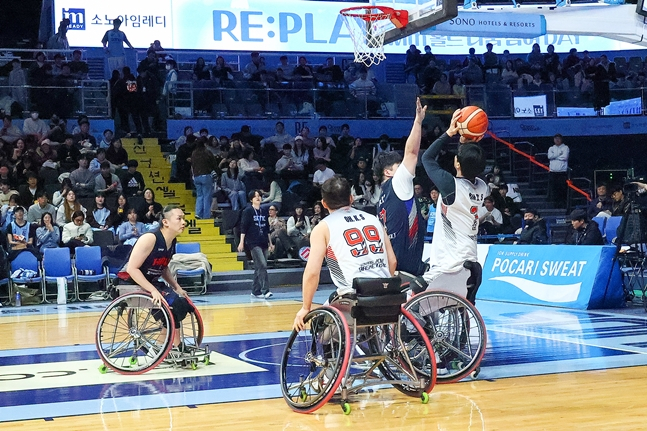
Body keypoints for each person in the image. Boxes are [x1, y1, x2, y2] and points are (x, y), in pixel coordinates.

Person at [293, 176, 396, 331]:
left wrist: (305, 308)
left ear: (324, 204)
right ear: (351, 198)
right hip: (386, 294)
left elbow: (312, 273)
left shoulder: (323, 227)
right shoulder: (374, 219)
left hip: (353, 296)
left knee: (319, 324)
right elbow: (392, 261)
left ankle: (329, 347)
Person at [420, 108, 488, 300]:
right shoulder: (482, 186)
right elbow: (471, 160)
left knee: (409, 294)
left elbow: (427, 158)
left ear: (457, 164)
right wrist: (468, 138)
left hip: (448, 265)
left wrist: (450, 132)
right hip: (470, 261)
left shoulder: (451, 186)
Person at [118, 205, 193, 351]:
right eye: (179, 219)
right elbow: (132, 269)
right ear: (165, 222)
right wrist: (153, 291)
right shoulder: (150, 238)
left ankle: (167, 346)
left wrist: (177, 287)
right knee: (173, 305)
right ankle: (173, 346)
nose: (184, 222)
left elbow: (163, 267)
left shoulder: (171, 241)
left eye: (183, 219)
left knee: (182, 303)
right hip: (130, 282)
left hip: (150, 282)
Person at [374, 98, 427, 276]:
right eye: (399, 166)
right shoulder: (397, 182)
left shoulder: (381, 199)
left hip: (390, 266)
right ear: (388, 172)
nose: (404, 168)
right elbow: (411, 153)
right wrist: (418, 121)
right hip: (407, 268)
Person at [238, 190, 274, 299]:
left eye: (259, 196)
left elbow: (267, 228)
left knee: (259, 267)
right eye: (255, 196)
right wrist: (241, 242)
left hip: (263, 241)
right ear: (251, 199)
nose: (258, 198)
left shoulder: (264, 211)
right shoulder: (248, 211)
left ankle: (255, 291)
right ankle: (265, 290)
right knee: (262, 265)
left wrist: (270, 243)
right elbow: (243, 227)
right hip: (253, 242)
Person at [547, 134, 569, 208]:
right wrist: (559, 154)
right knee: (554, 189)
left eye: (558, 138)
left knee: (562, 189)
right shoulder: (551, 148)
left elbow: (565, 157)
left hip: (562, 172)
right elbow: (549, 156)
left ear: (561, 139)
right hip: (553, 172)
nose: (557, 140)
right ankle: (554, 204)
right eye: (555, 138)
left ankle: (562, 205)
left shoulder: (565, 147)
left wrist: (554, 156)